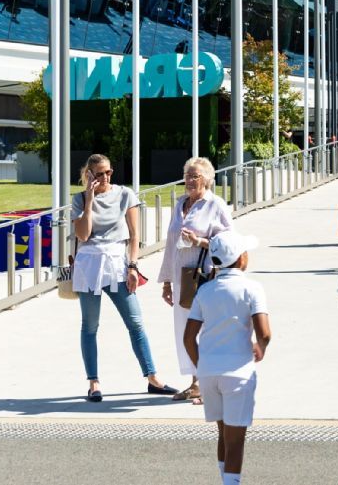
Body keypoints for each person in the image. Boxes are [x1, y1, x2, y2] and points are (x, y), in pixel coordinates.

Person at [72, 154, 176, 402]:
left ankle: (152, 377)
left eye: (109, 172)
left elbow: (134, 235)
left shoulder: (125, 194)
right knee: (90, 326)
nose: (106, 177)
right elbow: (83, 235)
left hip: (117, 263)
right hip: (89, 265)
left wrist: (132, 266)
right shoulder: (79, 199)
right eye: (99, 174)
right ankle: (93, 382)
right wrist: (89, 200)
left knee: (136, 322)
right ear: (89, 175)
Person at [183, 230, 271, 485]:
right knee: (236, 438)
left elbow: (189, 337)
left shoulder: (206, 290)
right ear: (241, 259)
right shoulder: (252, 288)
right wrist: (260, 346)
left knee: (223, 434)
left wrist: (202, 365)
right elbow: (264, 332)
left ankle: (225, 479)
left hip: (209, 372)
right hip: (238, 372)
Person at [160, 157, 234, 404]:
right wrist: (167, 282)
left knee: (206, 332)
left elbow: (229, 246)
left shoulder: (216, 205)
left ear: (208, 179)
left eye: (196, 176)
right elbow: (170, 245)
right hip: (183, 279)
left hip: (206, 278)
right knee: (185, 331)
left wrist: (200, 241)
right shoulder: (180, 203)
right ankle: (195, 382)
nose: (190, 181)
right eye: (188, 176)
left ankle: (207, 385)